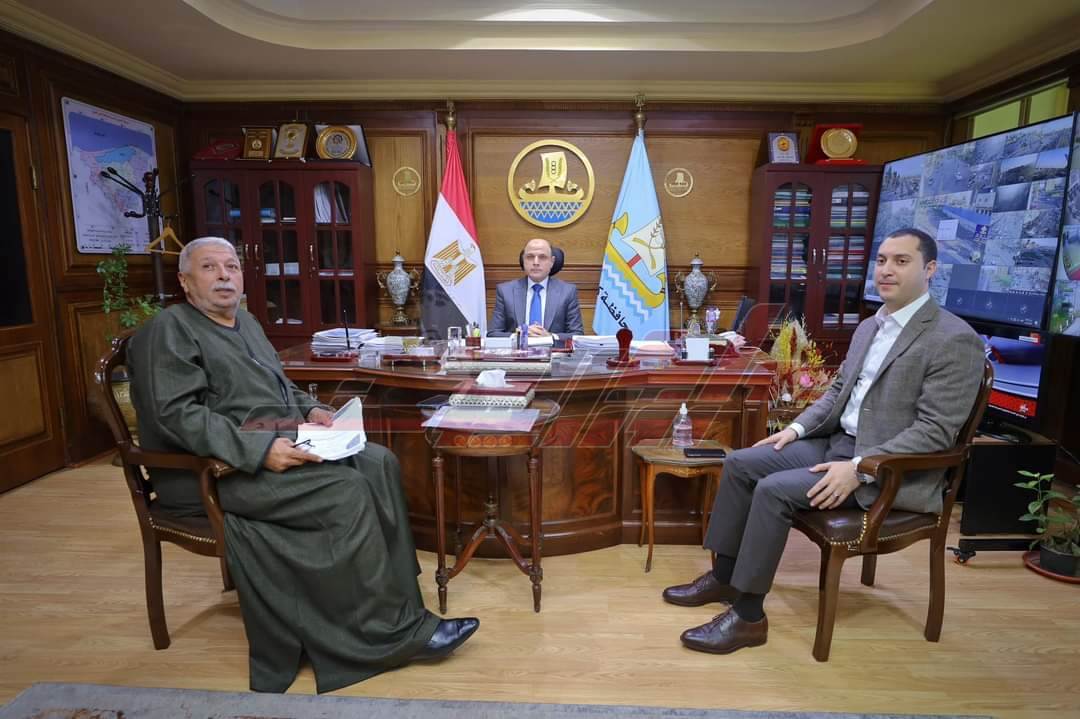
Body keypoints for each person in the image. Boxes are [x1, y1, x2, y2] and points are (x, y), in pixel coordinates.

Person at [127, 237, 478, 693]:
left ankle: (397, 603)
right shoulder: (169, 330)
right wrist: (259, 451)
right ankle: (386, 637)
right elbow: (178, 416)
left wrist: (310, 409)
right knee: (345, 491)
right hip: (212, 472)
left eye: (231, 266)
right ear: (185, 281)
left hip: (272, 439)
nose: (224, 276)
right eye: (209, 267)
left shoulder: (246, 322)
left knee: (379, 462)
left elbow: (279, 387)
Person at [662, 228, 985, 655]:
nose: (886, 270)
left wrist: (861, 468)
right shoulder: (870, 326)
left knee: (773, 490)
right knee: (740, 463)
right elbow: (836, 394)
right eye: (882, 260)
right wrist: (794, 430)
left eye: (901, 261)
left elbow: (935, 431)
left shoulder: (953, 339)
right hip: (838, 443)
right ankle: (724, 577)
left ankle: (748, 617)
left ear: (930, 269)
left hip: (889, 473)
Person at [489, 237, 584, 340]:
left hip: (552, 350)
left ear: (552, 262)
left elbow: (577, 334)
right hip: (518, 349)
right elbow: (493, 333)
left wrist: (550, 337)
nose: (536, 262)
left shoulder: (567, 292)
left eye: (542, 257)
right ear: (523, 260)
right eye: (530, 257)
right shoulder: (505, 291)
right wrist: (519, 335)